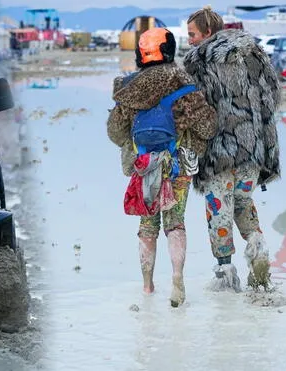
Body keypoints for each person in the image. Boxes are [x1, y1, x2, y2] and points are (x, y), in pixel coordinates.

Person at [107, 28, 217, 307]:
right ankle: (177, 278)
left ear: (140, 53)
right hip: (178, 163)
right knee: (175, 222)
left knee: (147, 225)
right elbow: (207, 126)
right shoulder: (182, 81)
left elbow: (115, 132)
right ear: (168, 50)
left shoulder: (128, 87)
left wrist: (137, 147)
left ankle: (146, 286)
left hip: (143, 166)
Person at [182, 6, 282, 292]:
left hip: (218, 152)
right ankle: (258, 249)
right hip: (252, 149)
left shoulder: (199, 62)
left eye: (192, 34)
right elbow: (272, 96)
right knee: (243, 203)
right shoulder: (254, 54)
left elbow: (194, 110)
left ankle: (225, 271)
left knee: (219, 210)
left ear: (208, 33)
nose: (189, 40)